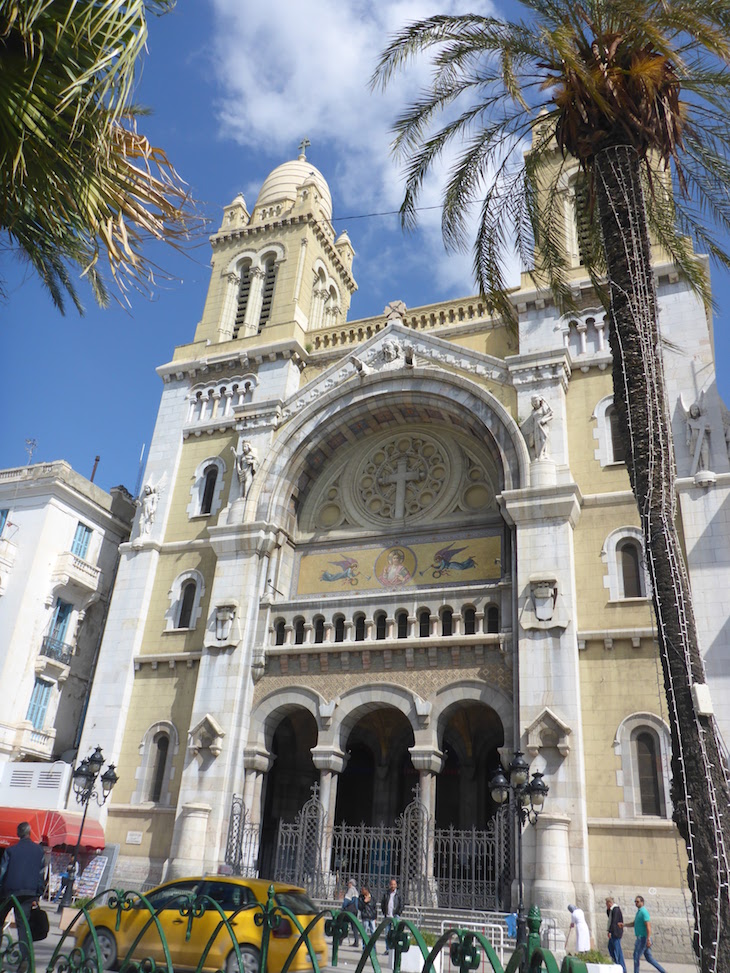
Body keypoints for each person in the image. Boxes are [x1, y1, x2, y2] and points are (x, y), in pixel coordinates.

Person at [0, 821, 46, 960]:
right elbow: (41, 874)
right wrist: (37, 895)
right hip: (28, 893)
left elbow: (2, 872)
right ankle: (25, 958)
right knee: (22, 926)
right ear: (29, 833)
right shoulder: (39, 851)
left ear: (18, 834)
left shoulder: (10, 851)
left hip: (10, 892)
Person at [632, 896, 667, 973]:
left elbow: (648, 926)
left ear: (642, 902)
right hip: (640, 938)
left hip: (643, 938)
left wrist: (648, 939)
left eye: (637, 901)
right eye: (635, 901)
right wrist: (624, 925)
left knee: (636, 957)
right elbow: (634, 923)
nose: (636, 903)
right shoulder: (639, 912)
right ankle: (663, 971)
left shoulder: (644, 912)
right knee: (649, 958)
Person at [380, 878, 404, 956]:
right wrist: (385, 912)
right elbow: (383, 904)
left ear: (396, 885)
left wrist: (398, 913)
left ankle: (395, 949)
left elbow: (401, 904)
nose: (393, 886)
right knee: (387, 933)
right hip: (388, 916)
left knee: (396, 933)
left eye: (394, 884)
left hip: (395, 916)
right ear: (390, 885)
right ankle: (388, 949)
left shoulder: (398, 895)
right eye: (391, 884)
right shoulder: (386, 894)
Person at [606, 897, 627, 972]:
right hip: (614, 932)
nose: (606, 905)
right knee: (610, 947)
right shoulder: (611, 910)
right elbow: (609, 918)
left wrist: (610, 932)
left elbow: (614, 922)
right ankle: (616, 963)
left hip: (616, 932)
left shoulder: (616, 909)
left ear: (609, 903)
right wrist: (608, 910)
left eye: (607, 903)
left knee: (618, 951)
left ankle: (622, 968)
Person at [342, 879, 360, 947]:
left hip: (349, 910)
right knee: (354, 926)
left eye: (349, 883)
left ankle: (341, 938)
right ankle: (356, 941)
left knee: (343, 923)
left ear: (351, 883)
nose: (348, 884)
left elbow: (347, 900)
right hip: (355, 911)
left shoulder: (350, 890)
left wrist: (343, 907)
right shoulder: (356, 891)